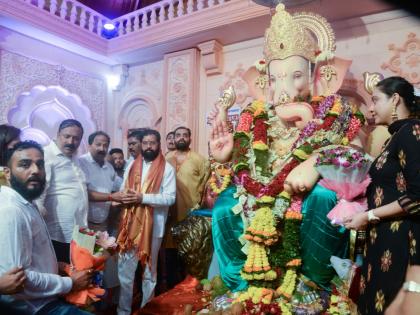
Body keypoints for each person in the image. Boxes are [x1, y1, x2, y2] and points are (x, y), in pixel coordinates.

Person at [344, 77, 420, 314]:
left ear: (395, 99)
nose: (371, 108)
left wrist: (368, 216)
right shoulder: (393, 138)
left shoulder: (412, 131)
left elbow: (417, 197)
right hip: (383, 237)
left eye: (376, 100)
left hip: (402, 240)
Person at [0, 141, 92, 315]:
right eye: (25, 165)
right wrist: (70, 283)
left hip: (44, 298)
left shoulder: (27, 202)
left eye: (40, 164)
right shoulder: (11, 210)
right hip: (36, 306)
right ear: (8, 173)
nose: (35, 170)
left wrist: (52, 264)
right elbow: (20, 282)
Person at [116, 129, 176, 314]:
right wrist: (124, 196)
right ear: (141, 145)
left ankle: (146, 310)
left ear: (159, 145)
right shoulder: (132, 165)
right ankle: (123, 311)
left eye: (153, 143)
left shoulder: (167, 169)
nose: (149, 146)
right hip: (130, 226)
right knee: (125, 271)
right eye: (145, 143)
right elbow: (122, 188)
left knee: (149, 274)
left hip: (153, 228)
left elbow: (170, 198)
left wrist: (142, 198)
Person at [35, 119, 88, 263]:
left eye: (76, 138)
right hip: (58, 232)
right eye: (67, 136)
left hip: (79, 228)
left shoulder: (75, 157)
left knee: (80, 271)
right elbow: (39, 194)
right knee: (63, 273)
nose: (71, 142)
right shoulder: (46, 155)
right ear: (58, 134)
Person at [79, 131, 127, 232]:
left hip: (103, 224)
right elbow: (83, 193)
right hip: (84, 224)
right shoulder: (81, 163)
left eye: (105, 145)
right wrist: (111, 197)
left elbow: (121, 185)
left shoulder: (109, 167)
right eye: (98, 145)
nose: (102, 149)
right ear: (90, 145)